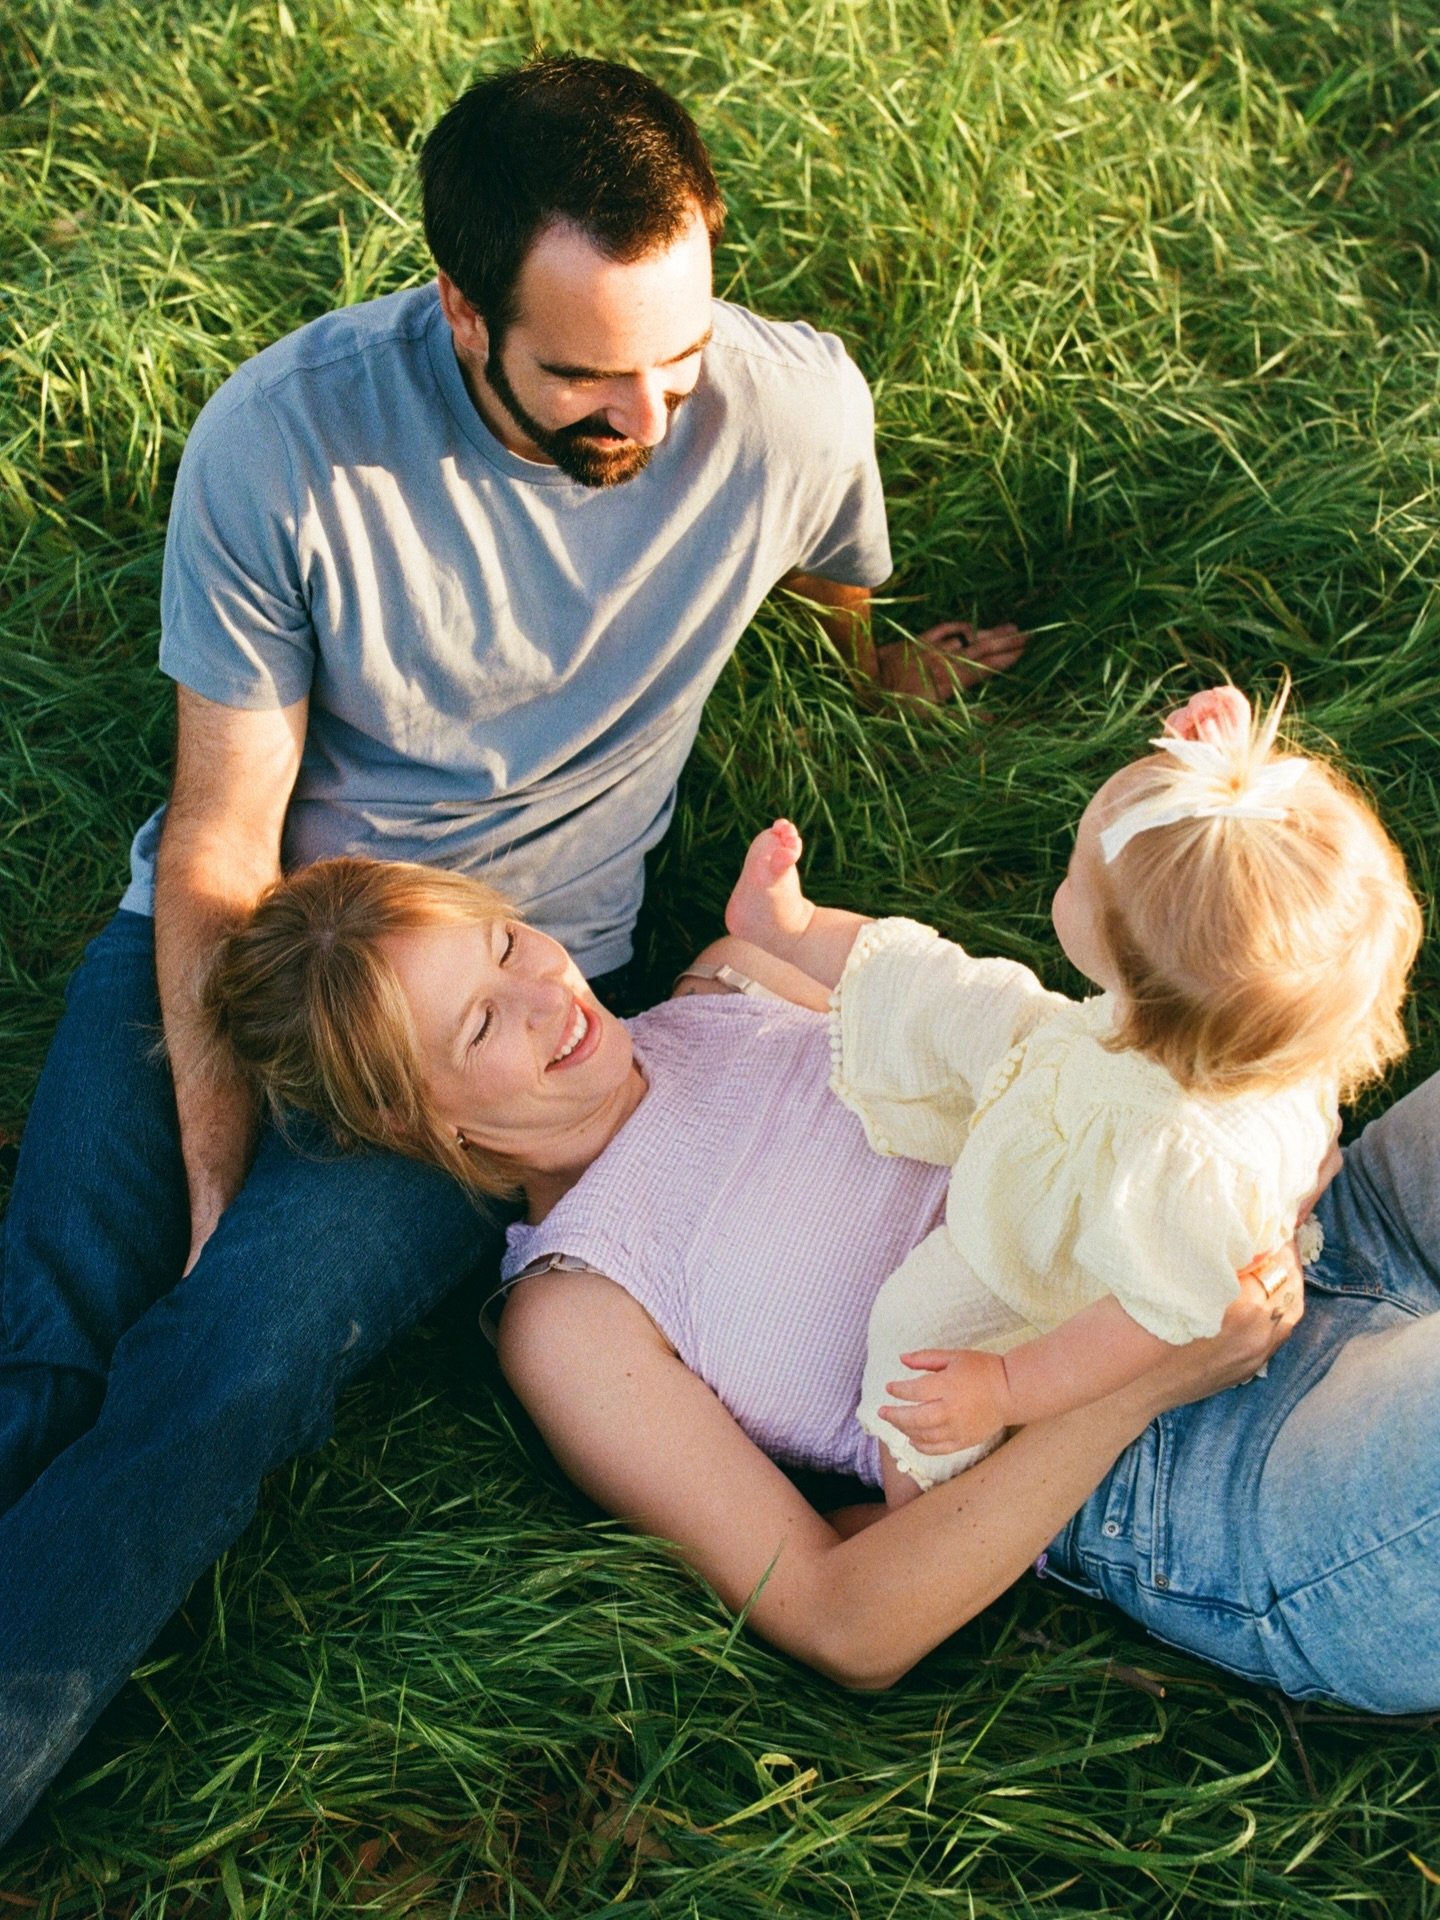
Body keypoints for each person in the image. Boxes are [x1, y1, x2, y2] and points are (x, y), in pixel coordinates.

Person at [0, 54, 1024, 1840]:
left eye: (678, 355)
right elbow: (227, 843)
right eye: (584, 374)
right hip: (256, 938)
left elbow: (830, 557)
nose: (650, 409)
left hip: (501, 1008)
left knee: (224, 1370)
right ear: (465, 312)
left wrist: (880, 668)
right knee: (58, 1328)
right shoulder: (288, 441)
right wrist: (219, 1165)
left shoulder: (777, 410)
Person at [202, 855, 1440, 1712]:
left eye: (511, 946)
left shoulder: (730, 982)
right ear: (419, 1120)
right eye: (480, 1027)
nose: (548, 999)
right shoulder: (578, 1312)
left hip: (1306, 1222)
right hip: (1201, 1462)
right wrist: (1140, 1386)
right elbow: (846, 1625)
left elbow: (1009, 1049)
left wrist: (1217, 1125)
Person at [723, 686, 1422, 1498]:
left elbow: (1143, 1322)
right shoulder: (1258, 1013)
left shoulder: (1177, 1162)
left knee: (915, 1338)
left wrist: (1006, 1386)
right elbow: (1242, 882)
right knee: (954, 998)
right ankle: (792, 928)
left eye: (1075, 876)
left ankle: (914, 1499)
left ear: (1133, 982)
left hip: (1050, 1272)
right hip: (1094, 1087)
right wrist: (1205, 767)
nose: (1067, 872)